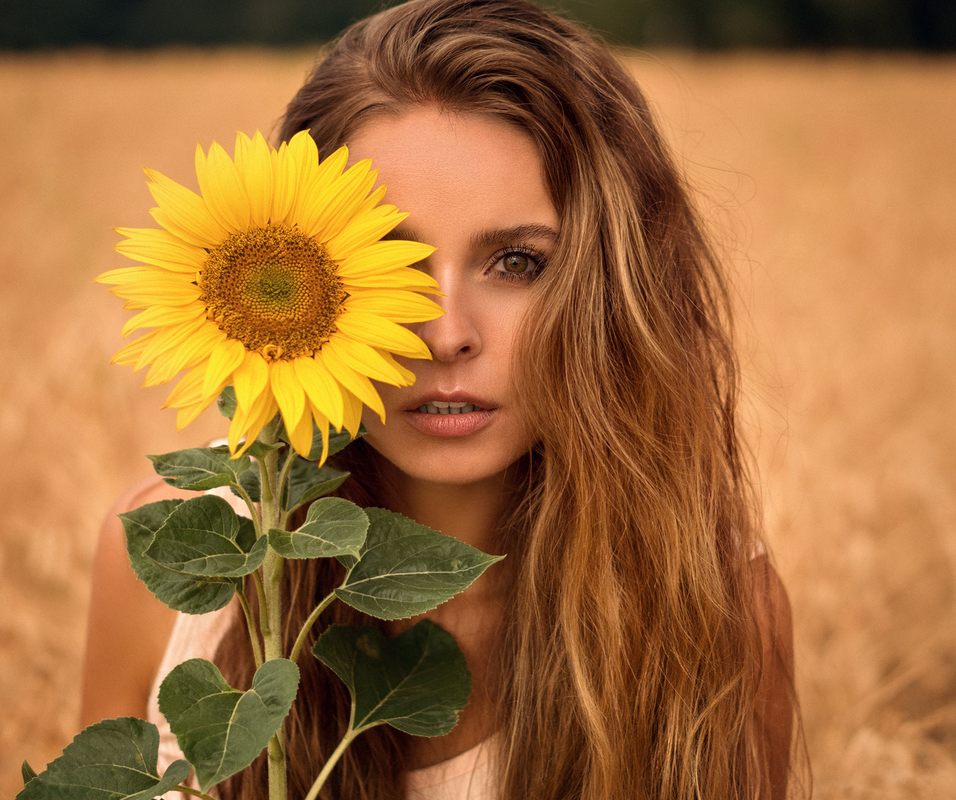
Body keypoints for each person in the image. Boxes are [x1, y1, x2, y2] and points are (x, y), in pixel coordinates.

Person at [81, 1, 799, 798]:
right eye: (390, 265)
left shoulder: (710, 606)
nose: (445, 334)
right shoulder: (173, 557)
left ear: (608, 291)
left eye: (518, 263)